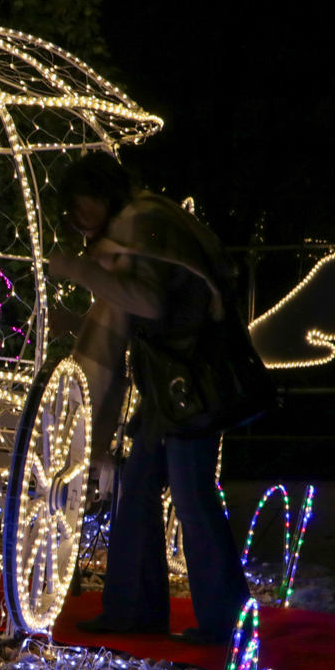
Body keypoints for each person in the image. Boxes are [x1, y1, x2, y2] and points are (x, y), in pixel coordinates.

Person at [47, 151, 248, 643]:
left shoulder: (142, 223)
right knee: (139, 490)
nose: (80, 217)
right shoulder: (141, 220)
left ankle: (222, 622)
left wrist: (78, 270)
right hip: (173, 385)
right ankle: (135, 611)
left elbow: (149, 301)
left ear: (102, 193)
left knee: (191, 495)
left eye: (83, 203)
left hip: (188, 385)